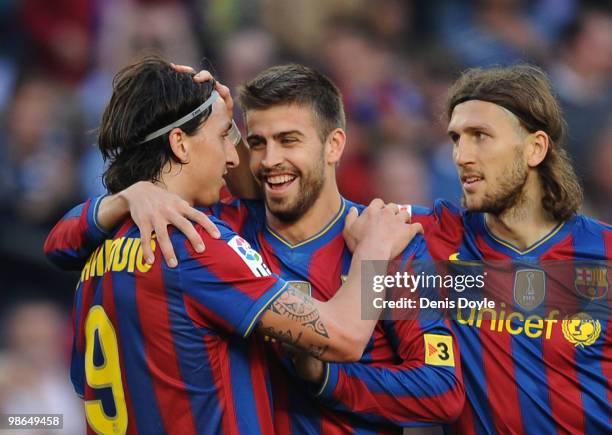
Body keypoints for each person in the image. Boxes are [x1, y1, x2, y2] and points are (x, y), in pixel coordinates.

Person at [45, 64, 464, 433]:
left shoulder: (394, 243)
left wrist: (328, 379)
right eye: (256, 142)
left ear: (334, 145)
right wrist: (128, 196)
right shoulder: (211, 231)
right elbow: (59, 242)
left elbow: (441, 391)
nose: (264, 160)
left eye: (289, 140)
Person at [409, 65, 611, 434]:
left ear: (535, 148)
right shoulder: (432, 240)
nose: (460, 156)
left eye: (480, 136)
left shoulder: (605, 255)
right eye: (456, 139)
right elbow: (332, 221)